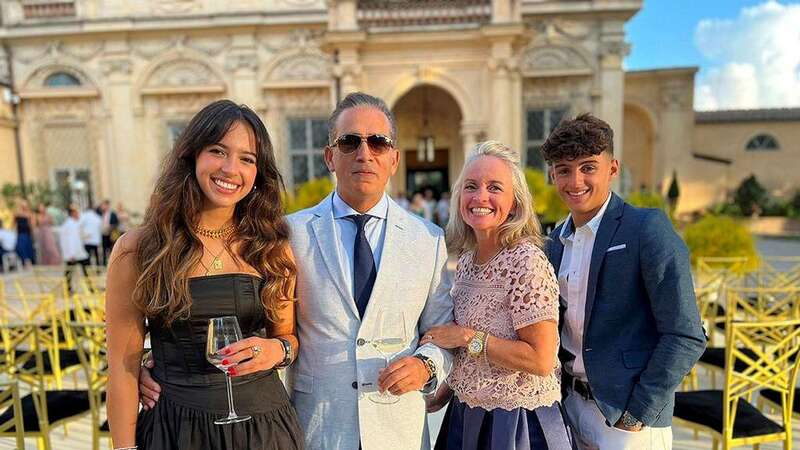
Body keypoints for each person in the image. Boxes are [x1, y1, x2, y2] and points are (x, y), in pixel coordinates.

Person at [107, 100, 304, 450]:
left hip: (265, 428)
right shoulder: (137, 250)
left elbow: (287, 337)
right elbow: (122, 369)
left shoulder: (272, 247)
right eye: (218, 151)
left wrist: (277, 351)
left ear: (259, 173)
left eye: (247, 159)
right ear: (192, 156)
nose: (231, 169)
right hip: (177, 430)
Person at [540, 113, 705, 449]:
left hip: (627, 421)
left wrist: (639, 411)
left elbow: (685, 334)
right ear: (552, 175)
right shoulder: (555, 240)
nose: (575, 181)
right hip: (569, 407)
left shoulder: (646, 229)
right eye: (564, 170)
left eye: (588, 167)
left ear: (612, 168)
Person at [424, 142, 571, 450]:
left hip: (517, 424)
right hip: (466, 416)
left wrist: (465, 337)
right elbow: (474, 357)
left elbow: (541, 360)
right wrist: (447, 390)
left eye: (494, 187)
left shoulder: (525, 262)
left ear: (514, 204)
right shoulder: (466, 261)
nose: (480, 197)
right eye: (471, 186)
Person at [58, 204, 90, 292]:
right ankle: (89, 287)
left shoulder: (69, 224)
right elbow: (71, 241)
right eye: (77, 212)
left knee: (70, 272)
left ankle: (68, 289)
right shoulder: (71, 225)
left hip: (73, 253)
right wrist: (72, 254)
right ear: (72, 213)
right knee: (83, 270)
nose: (78, 214)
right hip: (75, 254)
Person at [14, 199, 36, 266]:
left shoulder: (30, 213)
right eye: (22, 204)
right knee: (20, 247)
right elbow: (14, 224)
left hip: (26, 233)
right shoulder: (17, 213)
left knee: (27, 247)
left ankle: (28, 261)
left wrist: (32, 234)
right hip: (20, 233)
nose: (24, 206)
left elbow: (32, 225)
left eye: (25, 204)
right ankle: (24, 261)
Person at [99, 199, 119, 265]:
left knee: (111, 249)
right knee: (104, 249)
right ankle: (104, 263)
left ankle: (113, 262)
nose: (102, 206)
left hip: (111, 234)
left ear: (107, 205)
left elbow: (116, 223)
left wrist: (110, 227)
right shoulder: (101, 214)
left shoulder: (113, 214)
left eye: (103, 205)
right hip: (104, 234)